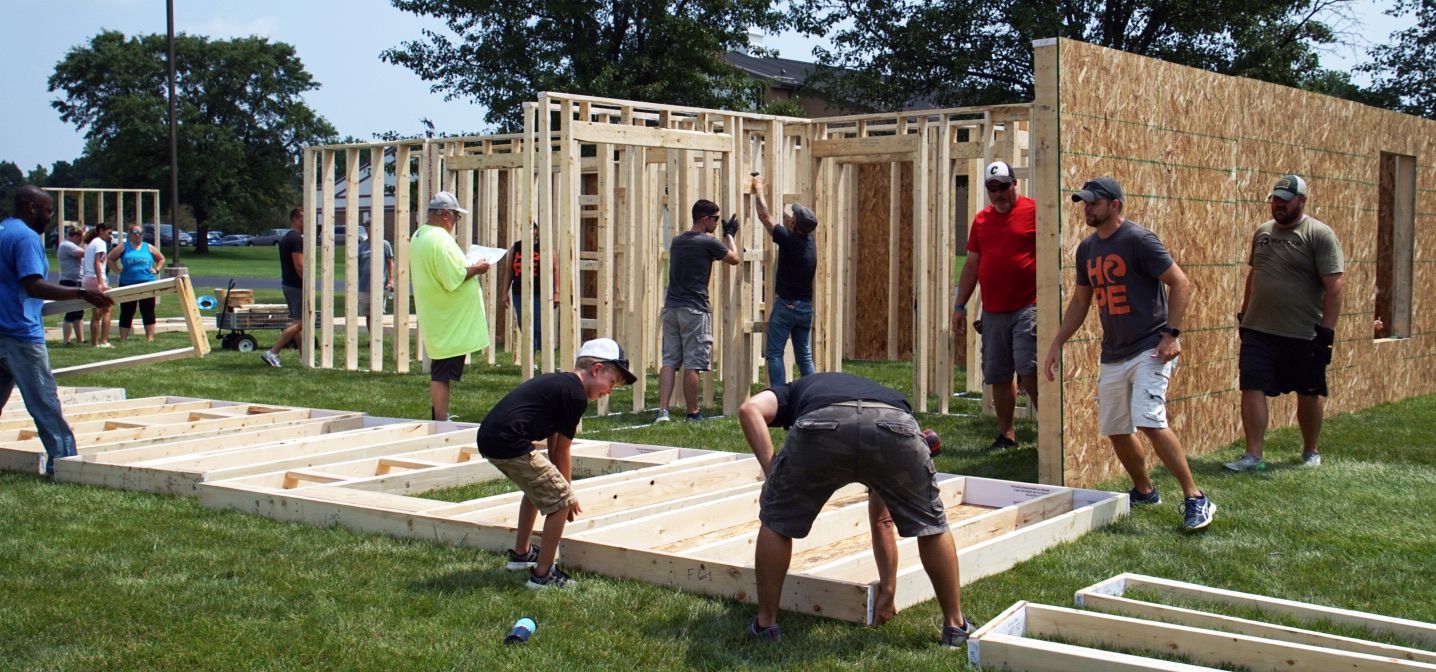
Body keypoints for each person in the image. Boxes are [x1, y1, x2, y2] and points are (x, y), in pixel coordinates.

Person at [737, 372, 974, 645]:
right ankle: (955, 626)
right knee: (931, 525)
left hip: (821, 423)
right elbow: (883, 521)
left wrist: (772, 472)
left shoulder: (793, 391)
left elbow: (749, 409)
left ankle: (766, 625)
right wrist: (888, 588)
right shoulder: (880, 390)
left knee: (777, 521)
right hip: (891, 425)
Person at [1042, 176, 1215, 532]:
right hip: (1114, 352)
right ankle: (1145, 491)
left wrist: (1171, 335)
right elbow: (1080, 301)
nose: (1087, 209)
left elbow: (1180, 282)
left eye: (1094, 202)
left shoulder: (1139, 240)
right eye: (1085, 203)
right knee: (1116, 428)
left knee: (1149, 419)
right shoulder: (1087, 249)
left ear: (1115, 205)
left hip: (1151, 347)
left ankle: (1196, 497)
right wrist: (1057, 341)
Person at [478, 337, 636, 589]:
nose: (609, 391)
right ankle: (543, 574)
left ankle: (522, 554)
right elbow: (562, 449)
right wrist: (567, 493)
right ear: (596, 369)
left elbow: (554, 444)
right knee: (560, 502)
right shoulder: (576, 396)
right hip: (507, 441)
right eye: (611, 383)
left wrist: (558, 483)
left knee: (538, 489)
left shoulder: (564, 386)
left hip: (493, 438)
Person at [1227, 175, 1345, 471]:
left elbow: (1334, 286)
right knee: (1251, 385)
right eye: (1275, 199)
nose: (1278, 204)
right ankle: (1253, 455)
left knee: (1308, 392)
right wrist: (1244, 315)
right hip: (1259, 328)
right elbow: (1255, 275)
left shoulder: (1319, 234)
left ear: (1301, 201)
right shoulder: (1263, 233)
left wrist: (1326, 333)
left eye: (1285, 199)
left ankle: (1310, 450)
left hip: (1303, 331)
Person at [0, 186, 113, 475]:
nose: (50, 217)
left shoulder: (2, 230)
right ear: (30, 207)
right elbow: (33, 285)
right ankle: (64, 463)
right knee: (44, 402)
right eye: (48, 210)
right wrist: (82, 294)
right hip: (20, 333)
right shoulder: (25, 237)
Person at [951, 161, 1039, 450]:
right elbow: (971, 266)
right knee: (999, 374)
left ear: (1014, 184)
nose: (998, 194)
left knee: (1030, 369)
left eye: (1003, 187)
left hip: (1029, 304)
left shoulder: (1035, 211)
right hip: (993, 310)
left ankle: (1051, 434)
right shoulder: (982, 220)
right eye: (992, 189)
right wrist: (960, 305)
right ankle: (1007, 435)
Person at [654, 199, 740, 422]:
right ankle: (693, 412)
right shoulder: (707, 242)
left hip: (672, 308)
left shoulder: (678, 241)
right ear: (705, 219)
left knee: (670, 361)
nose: (716, 223)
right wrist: (730, 235)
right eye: (715, 219)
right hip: (694, 310)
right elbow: (734, 258)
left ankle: (663, 411)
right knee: (693, 364)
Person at [410, 191, 490, 421]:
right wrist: (478, 268)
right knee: (442, 372)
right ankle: (440, 419)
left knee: (441, 369)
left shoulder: (420, 235)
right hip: (449, 318)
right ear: (446, 215)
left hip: (439, 314)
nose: (455, 222)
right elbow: (452, 277)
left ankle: (439, 416)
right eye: (456, 216)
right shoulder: (439, 240)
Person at [751, 175, 818, 388]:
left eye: (794, 215)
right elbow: (785, 220)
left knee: (774, 353)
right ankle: (813, 394)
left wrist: (759, 188)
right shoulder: (808, 240)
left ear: (795, 223)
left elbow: (764, 216)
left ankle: (779, 397)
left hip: (787, 306)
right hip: (805, 309)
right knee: (804, 356)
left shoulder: (789, 240)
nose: (791, 216)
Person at [498, 223, 558, 352]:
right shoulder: (517, 247)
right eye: (526, 229)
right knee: (524, 324)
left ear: (537, 230)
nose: (530, 232)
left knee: (537, 326)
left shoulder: (545, 247)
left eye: (533, 229)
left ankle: (541, 355)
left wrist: (556, 292)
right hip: (519, 292)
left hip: (539, 293)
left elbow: (555, 270)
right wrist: (504, 293)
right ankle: (532, 358)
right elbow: (509, 271)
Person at [261, 208, 305, 367]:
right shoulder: (296, 239)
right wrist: (308, 284)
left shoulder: (286, 237)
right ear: (296, 219)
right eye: (304, 219)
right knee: (301, 323)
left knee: (298, 323)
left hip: (288, 284)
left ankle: (303, 357)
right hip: (297, 285)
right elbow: (299, 265)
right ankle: (273, 352)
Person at [111, 224, 166, 342]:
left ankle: (150, 338)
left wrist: (156, 269)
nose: (137, 235)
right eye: (135, 233)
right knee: (127, 310)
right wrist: (117, 270)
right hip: (127, 283)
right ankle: (123, 338)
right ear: (130, 234)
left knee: (148, 310)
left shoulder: (148, 247)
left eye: (140, 233)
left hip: (147, 283)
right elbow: (110, 259)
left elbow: (161, 258)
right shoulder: (124, 247)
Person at [80, 222, 114, 348]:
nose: (110, 236)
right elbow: (97, 263)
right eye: (109, 233)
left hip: (87, 278)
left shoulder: (90, 242)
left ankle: (94, 343)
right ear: (100, 231)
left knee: (95, 314)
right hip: (96, 278)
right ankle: (104, 342)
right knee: (107, 310)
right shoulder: (100, 243)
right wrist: (101, 283)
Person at [356, 228, 394, 335]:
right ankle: (372, 337)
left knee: (377, 312)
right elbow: (356, 264)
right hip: (364, 286)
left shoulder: (384, 244)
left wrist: (391, 280)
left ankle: (377, 336)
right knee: (368, 313)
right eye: (368, 228)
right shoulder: (361, 246)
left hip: (379, 286)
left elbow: (390, 262)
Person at [56, 225, 86, 345]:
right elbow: (83, 253)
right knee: (71, 311)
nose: (81, 241)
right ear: (75, 235)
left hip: (78, 280)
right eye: (81, 238)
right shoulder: (66, 245)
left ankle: (80, 340)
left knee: (79, 311)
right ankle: (67, 340)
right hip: (69, 281)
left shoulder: (72, 245)